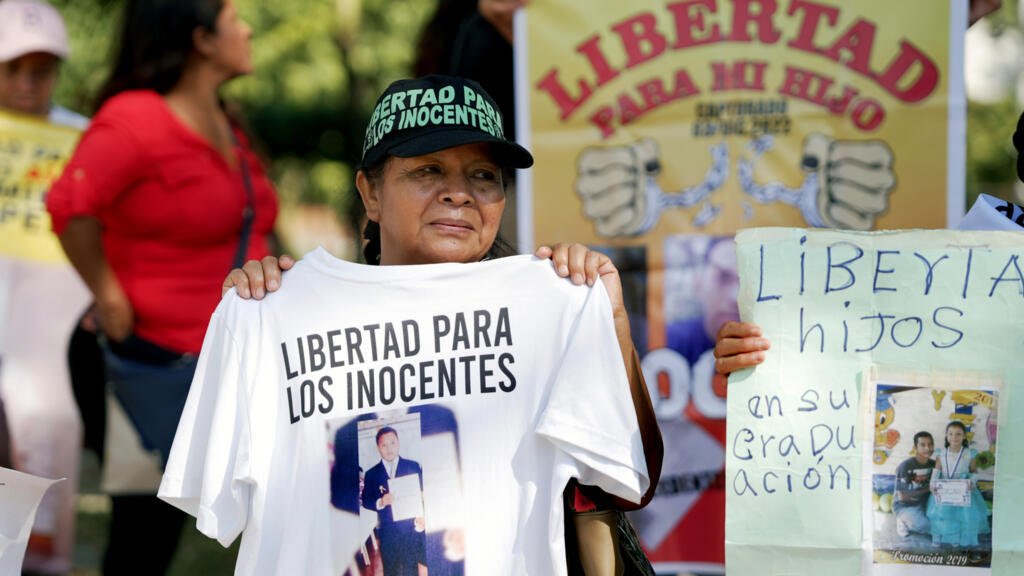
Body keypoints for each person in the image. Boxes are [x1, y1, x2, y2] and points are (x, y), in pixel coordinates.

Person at [165, 74, 662, 575]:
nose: (459, 194)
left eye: (484, 176)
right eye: (429, 169)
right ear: (370, 193)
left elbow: (619, 477)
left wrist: (609, 319)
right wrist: (258, 314)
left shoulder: (554, 303)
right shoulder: (270, 313)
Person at [45, 0, 279, 573]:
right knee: (144, 536)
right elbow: (68, 206)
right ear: (200, 38)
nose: (246, 29)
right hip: (147, 363)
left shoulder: (229, 121)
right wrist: (109, 293)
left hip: (218, 360)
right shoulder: (136, 119)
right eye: (234, 18)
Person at [0, 1, 90, 573]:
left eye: (43, 69)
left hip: (53, 334)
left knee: (41, 457)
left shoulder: (85, 138)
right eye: (13, 68)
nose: (29, 83)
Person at [361, 426, 427, 576]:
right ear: (378, 447)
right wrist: (381, 501)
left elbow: (424, 493)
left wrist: (422, 516)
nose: (389, 448)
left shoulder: (413, 466)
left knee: (411, 568)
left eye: (392, 443)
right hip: (387, 533)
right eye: (384, 445)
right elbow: (365, 500)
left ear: (398, 443)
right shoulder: (371, 474)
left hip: (411, 529)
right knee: (391, 569)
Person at [926, 421, 990, 547]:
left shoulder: (969, 454)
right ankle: (938, 535)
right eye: (950, 434)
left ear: (964, 436)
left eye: (958, 434)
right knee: (941, 514)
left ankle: (954, 537)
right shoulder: (941, 453)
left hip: (962, 490)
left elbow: (974, 472)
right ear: (946, 435)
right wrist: (932, 484)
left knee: (960, 516)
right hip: (944, 489)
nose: (954, 437)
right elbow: (937, 470)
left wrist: (972, 482)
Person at [892, 431, 936, 539]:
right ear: (915, 447)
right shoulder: (905, 466)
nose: (927, 448)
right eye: (923, 445)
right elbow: (903, 497)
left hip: (925, 503)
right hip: (904, 506)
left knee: (941, 525)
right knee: (926, 526)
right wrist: (927, 489)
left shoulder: (934, 464)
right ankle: (902, 520)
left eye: (930, 444)